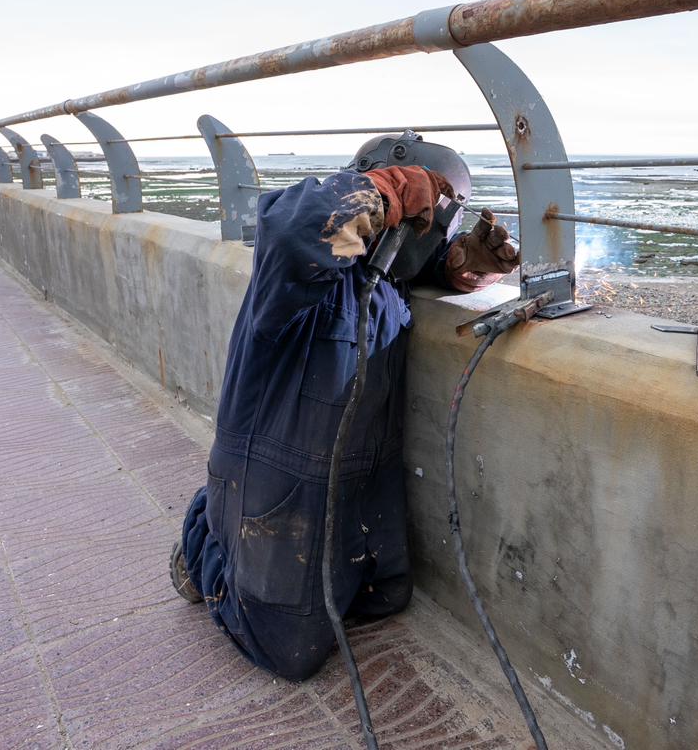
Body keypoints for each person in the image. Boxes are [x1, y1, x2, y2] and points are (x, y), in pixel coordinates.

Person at [170, 131, 518, 680]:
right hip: (274, 466)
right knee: (289, 649)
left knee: (383, 596)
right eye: (431, 205)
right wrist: (376, 191)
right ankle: (203, 537)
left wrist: (455, 267)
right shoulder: (299, 273)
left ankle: (226, 519)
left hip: (356, 476)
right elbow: (290, 229)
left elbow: (404, 266)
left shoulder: (389, 280)